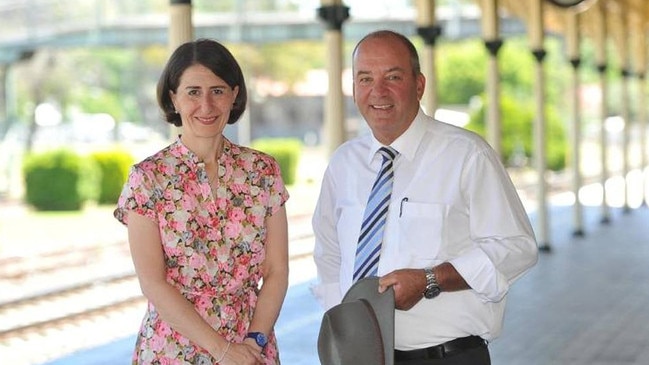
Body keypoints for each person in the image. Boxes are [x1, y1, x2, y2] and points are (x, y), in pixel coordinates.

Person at [312, 30, 539, 365]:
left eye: (393, 76)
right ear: (354, 88)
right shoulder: (343, 163)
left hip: (446, 357)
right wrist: (345, 327)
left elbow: (517, 247)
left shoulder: (466, 155)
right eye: (365, 78)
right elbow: (329, 255)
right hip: (362, 357)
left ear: (419, 85)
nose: (378, 91)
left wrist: (431, 279)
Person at [114, 38, 289, 365]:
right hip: (172, 349)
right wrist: (223, 350)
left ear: (234, 95)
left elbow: (277, 270)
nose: (206, 105)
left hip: (251, 346)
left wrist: (254, 342)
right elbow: (152, 282)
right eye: (193, 92)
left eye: (218, 91)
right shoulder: (148, 178)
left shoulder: (263, 171)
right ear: (173, 99)